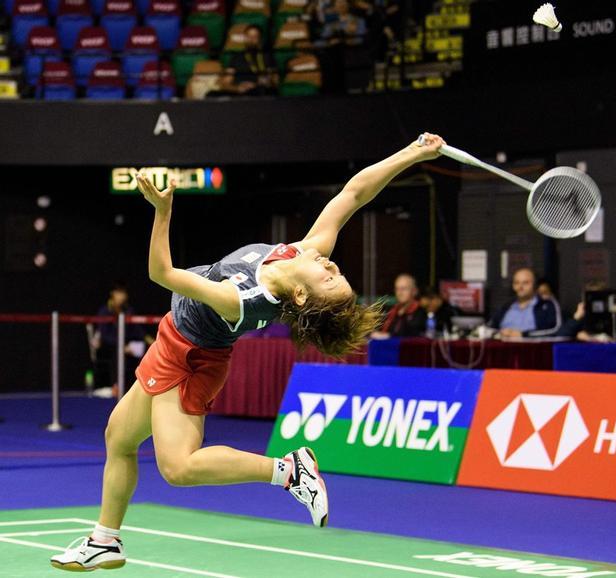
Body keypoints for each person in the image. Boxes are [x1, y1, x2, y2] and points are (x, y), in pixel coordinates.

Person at [49, 133, 447, 572]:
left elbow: (161, 273)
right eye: (338, 274)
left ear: (299, 295)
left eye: (330, 280)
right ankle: (105, 541)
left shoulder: (243, 299)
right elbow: (355, 193)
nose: (333, 267)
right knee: (118, 438)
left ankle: (288, 470)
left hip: (191, 357)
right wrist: (413, 153)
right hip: (173, 338)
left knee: (178, 468)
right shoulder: (305, 253)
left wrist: (162, 212)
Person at [91, 284, 153, 398]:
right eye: (118, 293)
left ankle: (144, 383)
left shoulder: (128, 310)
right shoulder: (104, 311)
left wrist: (152, 342)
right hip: (109, 345)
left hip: (126, 345)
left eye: (123, 293)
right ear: (112, 294)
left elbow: (138, 330)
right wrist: (122, 346)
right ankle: (116, 386)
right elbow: (104, 335)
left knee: (148, 350)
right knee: (117, 352)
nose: (121, 296)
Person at [488, 267, 561, 338]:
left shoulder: (546, 305)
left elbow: (556, 330)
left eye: (526, 283)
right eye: (516, 283)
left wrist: (523, 335)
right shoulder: (505, 306)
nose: (520, 286)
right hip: (503, 347)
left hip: (533, 348)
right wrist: (498, 333)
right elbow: (490, 328)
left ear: (535, 285)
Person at [227, 25, 278, 95]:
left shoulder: (267, 56)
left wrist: (255, 85)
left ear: (260, 39)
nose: (251, 39)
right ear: (244, 38)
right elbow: (225, 82)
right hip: (239, 93)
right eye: (248, 36)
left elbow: (274, 81)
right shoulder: (236, 57)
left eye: (255, 37)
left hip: (259, 91)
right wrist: (237, 88)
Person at [371, 273, 427, 338]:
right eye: (397, 289)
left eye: (404, 289)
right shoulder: (391, 311)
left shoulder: (420, 312)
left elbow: (413, 334)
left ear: (414, 291)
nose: (400, 293)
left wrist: (389, 336)